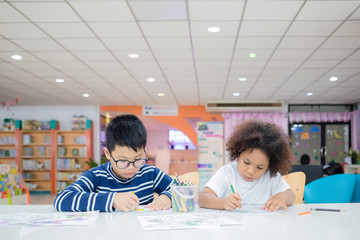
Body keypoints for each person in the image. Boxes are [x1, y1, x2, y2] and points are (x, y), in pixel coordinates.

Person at [54, 114, 173, 212]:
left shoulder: (150, 173)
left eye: (137, 159)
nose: (131, 167)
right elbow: (61, 199)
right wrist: (112, 200)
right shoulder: (97, 176)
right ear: (108, 153)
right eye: (122, 161)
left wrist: (168, 197)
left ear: (144, 151)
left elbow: (179, 188)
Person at [198, 120, 295, 212]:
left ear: (269, 165)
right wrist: (223, 202)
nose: (250, 171)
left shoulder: (270, 175)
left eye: (260, 167)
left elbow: (291, 195)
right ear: (238, 154)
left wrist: (282, 196)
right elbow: (203, 198)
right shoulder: (227, 173)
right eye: (246, 162)